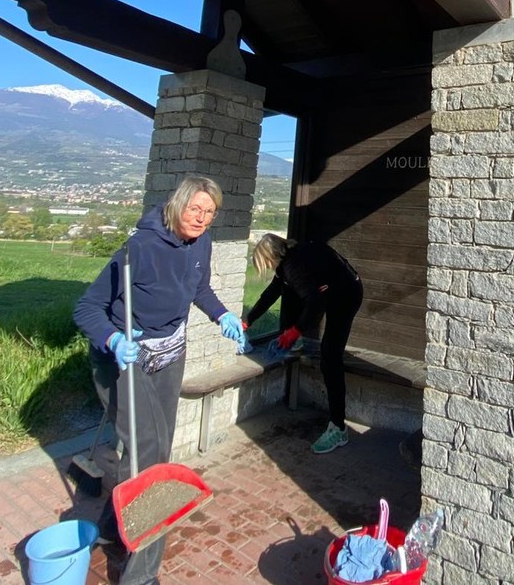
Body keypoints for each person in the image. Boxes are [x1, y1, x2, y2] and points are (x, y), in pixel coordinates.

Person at [73, 175, 246, 584]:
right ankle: (140, 576)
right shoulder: (138, 248)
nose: (201, 218)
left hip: (170, 354)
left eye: (209, 212)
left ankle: (116, 527)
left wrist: (221, 314)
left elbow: (198, 288)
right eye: (194, 209)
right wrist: (113, 339)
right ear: (176, 206)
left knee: (155, 447)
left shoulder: (200, 242)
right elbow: (87, 309)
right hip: (122, 359)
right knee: (151, 460)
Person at [246, 233, 363, 454]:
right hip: (340, 289)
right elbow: (272, 293)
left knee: (330, 359)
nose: (269, 268)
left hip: (346, 296)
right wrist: (248, 320)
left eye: (266, 264)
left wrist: (293, 332)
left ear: (270, 258)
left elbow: (316, 305)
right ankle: (337, 424)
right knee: (293, 294)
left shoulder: (293, 266)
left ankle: (338, 428)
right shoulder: (291, 260)